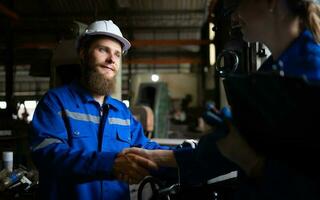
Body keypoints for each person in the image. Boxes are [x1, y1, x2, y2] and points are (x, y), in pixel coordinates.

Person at [123, 0, 320, 199]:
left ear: (270, 3)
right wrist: (153, 157)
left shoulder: (309, 75)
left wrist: (251, 162)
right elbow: (220, 156)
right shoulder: (274, 71)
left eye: (238, 6)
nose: (234, 18)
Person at [30, 20, 170, 200]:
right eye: (103, 50)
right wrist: (109, 164)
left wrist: (187, 155)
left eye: (117, 54)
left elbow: (145, 148)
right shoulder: (55, 102)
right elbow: (47, 154)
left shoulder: (121, 112)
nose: (112, 59)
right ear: (83, 53)